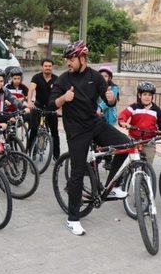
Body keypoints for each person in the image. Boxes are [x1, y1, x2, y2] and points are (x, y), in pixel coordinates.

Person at [49, 41, 128, 236]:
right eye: (67, 59)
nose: (68, 62)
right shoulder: (63, 80)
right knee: (77, 173)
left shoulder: (95, 77)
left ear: (82, 58)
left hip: (95, 124)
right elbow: (51, 104)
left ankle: (112, 186)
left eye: (71, 59)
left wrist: (110, 99)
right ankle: (73, 219)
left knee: (125, 146)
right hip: (76, 131)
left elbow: (109, 100)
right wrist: (63, 99)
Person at [117, 81, 161, 165]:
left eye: (149, 95)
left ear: (152, 97)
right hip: (134, 141)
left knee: (147, 165)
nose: (147, 97)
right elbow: (124, 114)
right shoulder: (134, 107)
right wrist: (122, 122)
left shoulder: (156, 110)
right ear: (139, 95)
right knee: (129, 164)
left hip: (149, 141)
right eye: (144, 94)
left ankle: (147, 177)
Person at [26, 58, 60, 160]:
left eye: (49, 66)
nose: (47, 68)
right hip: (38, 107)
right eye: (46, 66)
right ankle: (30, 152)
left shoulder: (56, 79)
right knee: (34, 129)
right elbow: (31, 89)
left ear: (52, 67)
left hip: (51, 108)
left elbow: (60, 94)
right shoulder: (36, 77)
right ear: (42, 67)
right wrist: (29, 102)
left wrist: (59, 109)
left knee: (55, 132)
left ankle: (56, 156)